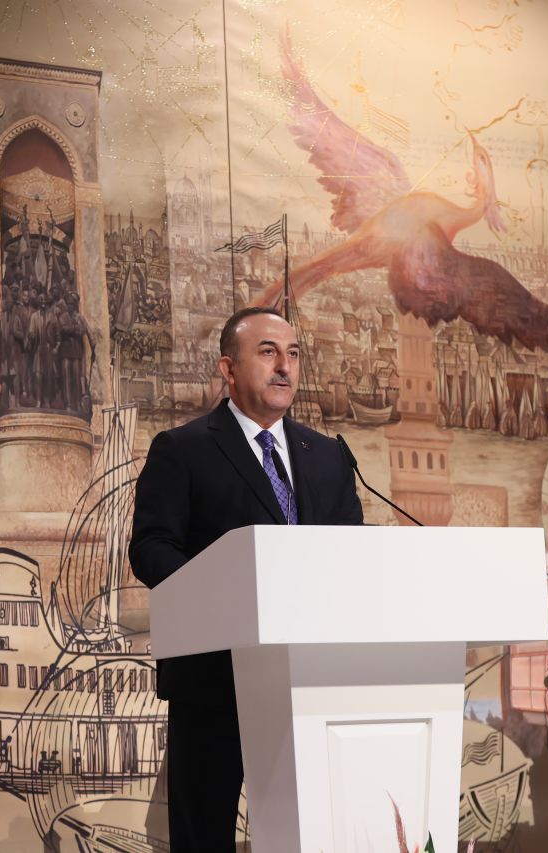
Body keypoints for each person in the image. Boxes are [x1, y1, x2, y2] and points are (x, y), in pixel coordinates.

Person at [129, 306, 363, 852]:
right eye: (267, 352)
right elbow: (151, 548)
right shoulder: (182, 449)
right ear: (228, 370)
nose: (284, 367)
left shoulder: (329, 456)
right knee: (205, 836)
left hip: (310, 681)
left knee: (309, 835)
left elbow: (353, 555)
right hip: (214, 683)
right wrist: (225, 594)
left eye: (294, 354)